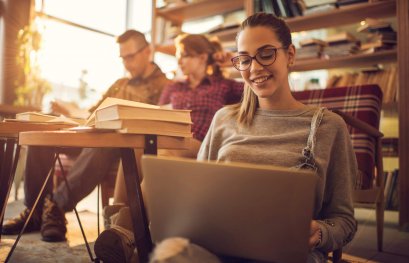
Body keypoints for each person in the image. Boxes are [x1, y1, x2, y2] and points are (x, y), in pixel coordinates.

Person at [148, 12, 358, 263]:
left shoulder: (329, 127)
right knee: (168, 255)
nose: (255, 68)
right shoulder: (224, 119)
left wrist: (321, 233)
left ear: (290, 55)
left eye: (266, 54)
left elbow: (344, 221)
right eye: (244, 60)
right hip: (219, 247)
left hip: (287, 255)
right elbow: (196, 203)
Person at [2, 30, 169, 242]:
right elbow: (92, 113)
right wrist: (72, 111)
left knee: (104, 142)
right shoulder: (120, 83)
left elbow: (157, 124)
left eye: (131, 57)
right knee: (45, 130)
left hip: (125, 143)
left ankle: (55, 208)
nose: (126, 63)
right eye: (122, 58)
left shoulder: (166, 86)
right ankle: (35, 212)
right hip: (94, 133)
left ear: (147, 52)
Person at [93, 33, 244, 263]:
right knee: (133, 147)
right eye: (178, 56)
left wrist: (233, 58)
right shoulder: (173, 87)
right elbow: (157, 115)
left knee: (165, 152)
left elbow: (257, 89)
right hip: (166, 140)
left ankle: (123, 228)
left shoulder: (223, 86)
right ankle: (117, 231)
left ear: (203, 57)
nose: (179, 61)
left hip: (199, 145)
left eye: (185, 55)